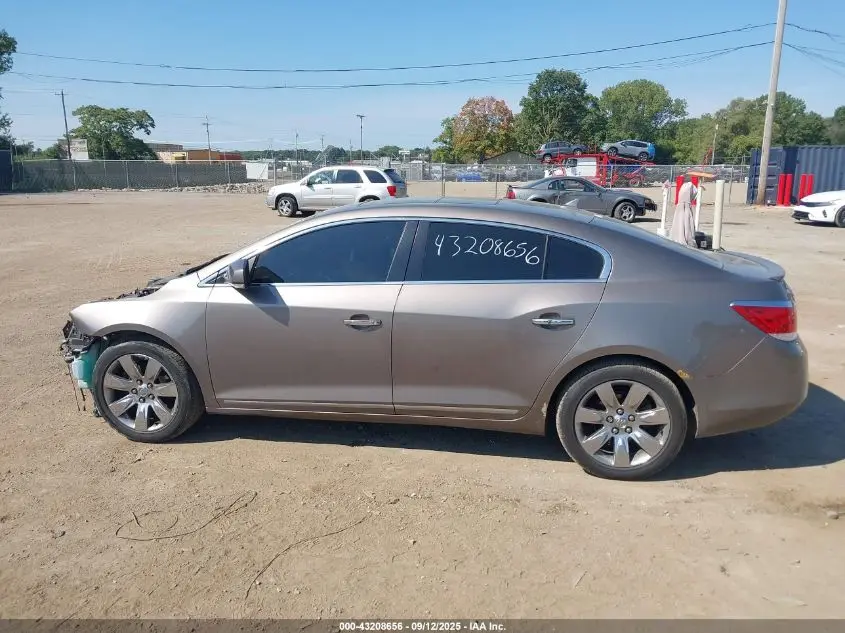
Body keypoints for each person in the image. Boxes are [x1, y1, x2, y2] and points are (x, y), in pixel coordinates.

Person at [670, 175, 698, 247]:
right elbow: (688, 233)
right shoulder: (686, 208)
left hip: (674, 243)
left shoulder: (679, 207)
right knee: (686, 224)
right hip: (685, 246)